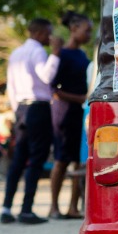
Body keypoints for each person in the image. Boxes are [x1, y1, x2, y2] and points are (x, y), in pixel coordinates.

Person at [1, 18, 62, 225]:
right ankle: (26, 209)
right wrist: (55, 53)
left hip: (21, 109)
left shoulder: (16, 53)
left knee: (18, 159)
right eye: (48, 33)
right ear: (39, 33)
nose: (50, 37)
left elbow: (10, 86)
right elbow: (46, 77)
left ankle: (6, 208)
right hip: (38, 108)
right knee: (36, 159)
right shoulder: (38, 51)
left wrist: (17, 110)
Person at [48, 12, 92, 220]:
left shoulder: (83, 56)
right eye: (87, 30)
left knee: (78, 160)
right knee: (61, 160)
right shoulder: (62, 55)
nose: (89, 35)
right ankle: (53, 206)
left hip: (79, 112)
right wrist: (80, 98)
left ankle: (73, 206)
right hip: (64, 112)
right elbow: (54, 88)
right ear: (74, 30)